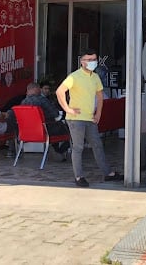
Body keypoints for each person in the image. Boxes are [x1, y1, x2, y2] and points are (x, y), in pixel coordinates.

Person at [56, 49, 122, 187]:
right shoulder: (74, 76)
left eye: (94, 59)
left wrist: (98, 114)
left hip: (90, 118)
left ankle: (108, 173)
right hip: (76, 119)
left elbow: (100, 96)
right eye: (89, 60)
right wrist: (67, 109)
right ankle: (79, 176)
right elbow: (60, 91)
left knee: (97, 145)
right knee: (78, 147)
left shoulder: (95, 77)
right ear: (82, 61)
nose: (92, 62)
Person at [21, 82, 70, 159]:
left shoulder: (23, 103)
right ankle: (58, 151)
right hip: (45, 130)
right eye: (39, 89)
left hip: (29, 132)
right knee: (71, 130)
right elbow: (55, 114)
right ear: (36, 89)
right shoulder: (42, 100)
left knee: (57, 127)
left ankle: (55, 150)